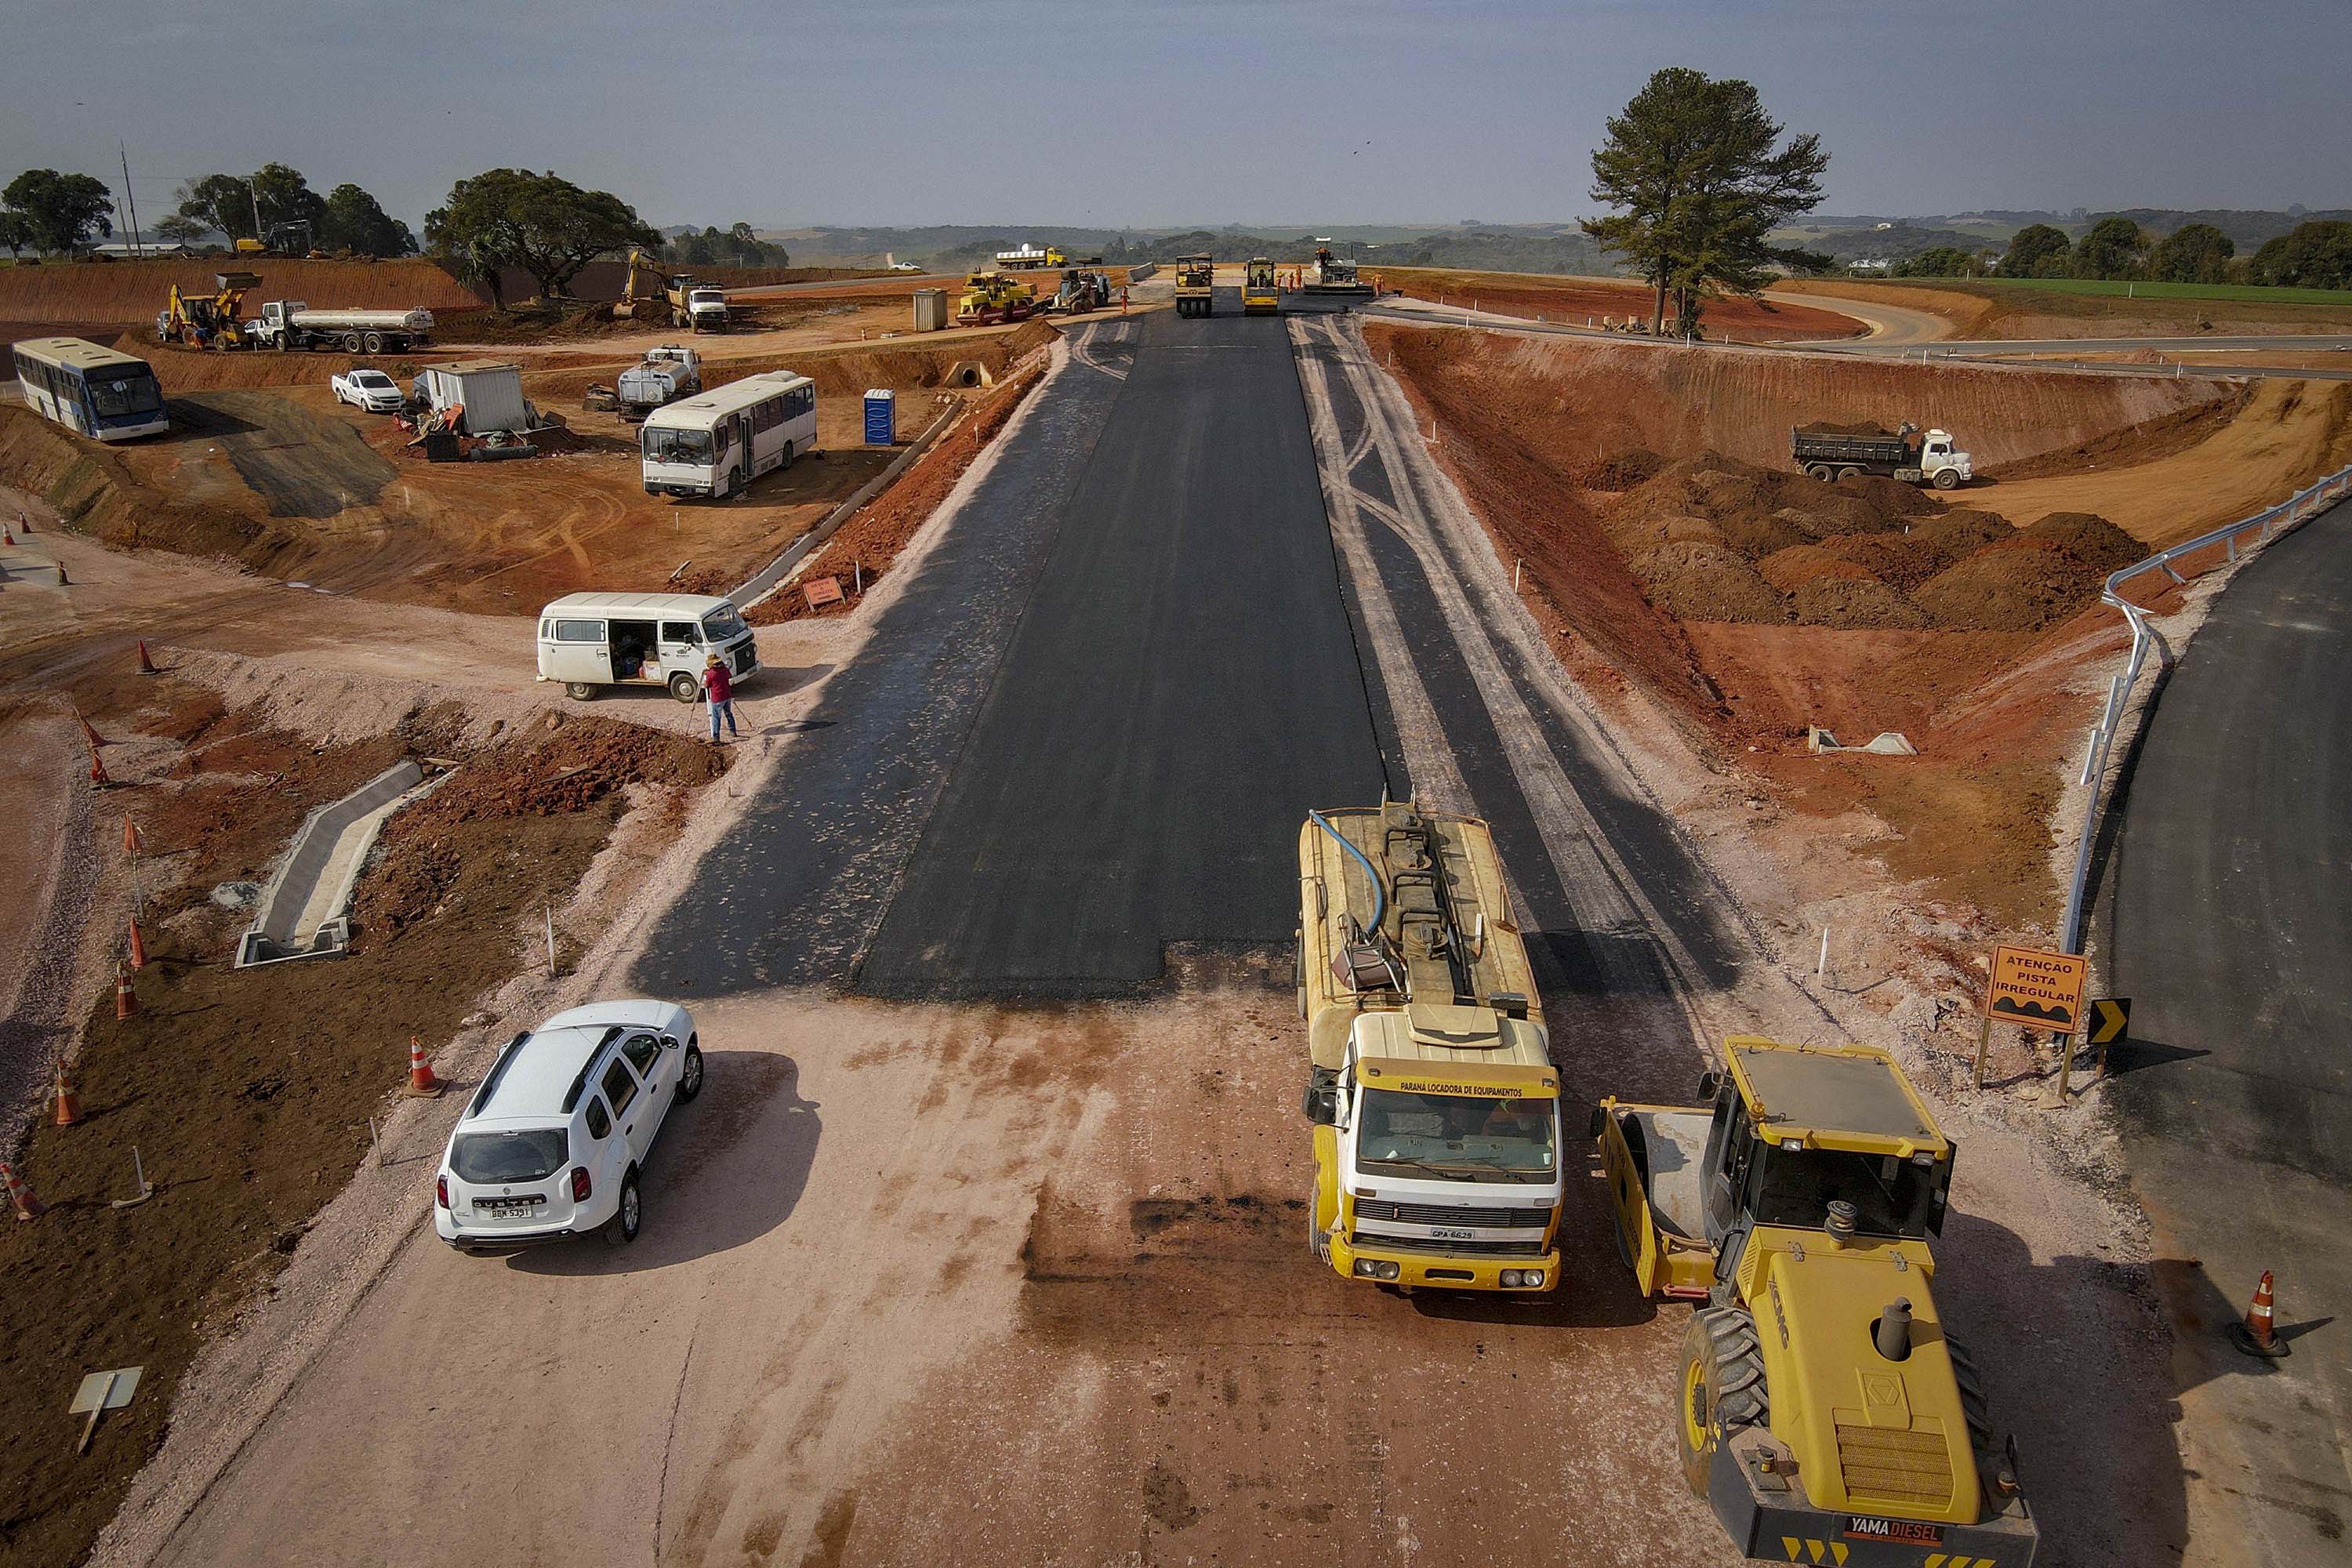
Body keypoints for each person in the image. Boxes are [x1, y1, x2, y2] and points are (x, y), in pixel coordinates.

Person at [701, 652, 739, 742]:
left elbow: (707, 685)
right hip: (727, 695)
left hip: (718, 698)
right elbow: (727, 676)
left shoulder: (711, 674)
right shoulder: (725, 670)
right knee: (728, 713)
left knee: (716, 717)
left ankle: (716, 736)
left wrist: (706, 678)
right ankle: (733, 731)